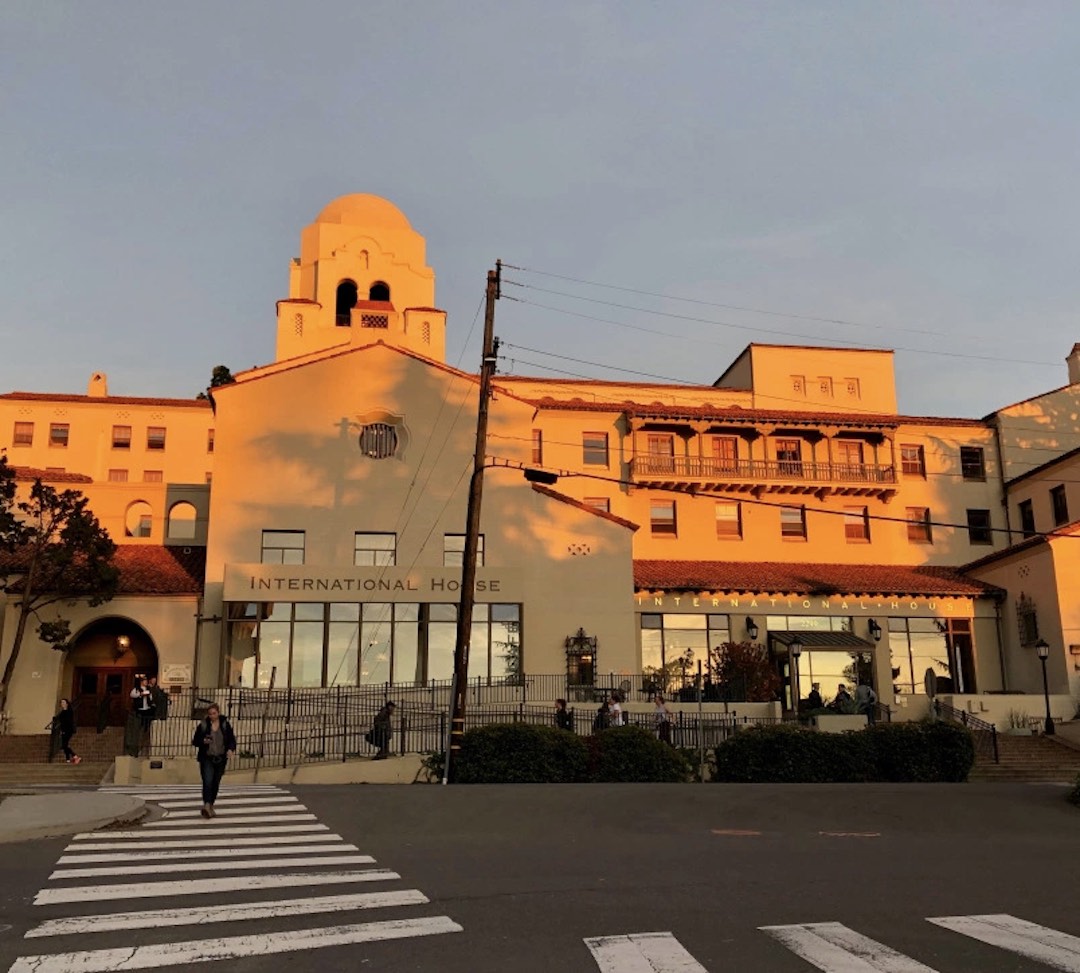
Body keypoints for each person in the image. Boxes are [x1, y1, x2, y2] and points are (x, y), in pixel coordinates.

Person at [191, 703, 236, 818]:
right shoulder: (204, 725)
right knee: (208, 781)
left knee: (215, 782)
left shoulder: (225, 724)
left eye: (214, 713)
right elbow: (195, 741)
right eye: (210, 714)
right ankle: (206, 805)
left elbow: (231, 739)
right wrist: (203, 741)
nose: (212, 716)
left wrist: (230, 749)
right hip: (207, 758)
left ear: (218, 713)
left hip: (220, 758)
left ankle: (211, 805)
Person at [51, 698, 81, 765]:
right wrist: (61, 730)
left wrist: (65, 730)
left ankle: (75, 756)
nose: (62, 704)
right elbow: (61, 722)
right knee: (65, 745)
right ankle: (68, 759)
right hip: (64, 730)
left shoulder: (69, 711)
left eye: (64, 702)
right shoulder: (62, 713)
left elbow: (68, 722)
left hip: (68, 730)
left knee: (64, 745)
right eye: (61, 702)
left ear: (67, 704)